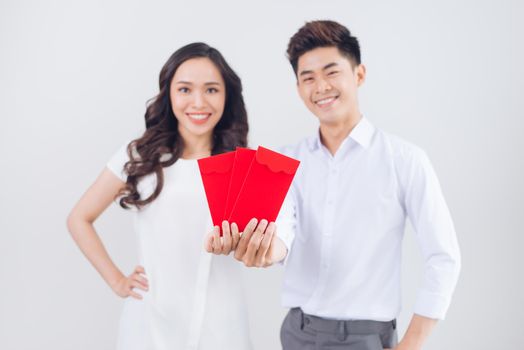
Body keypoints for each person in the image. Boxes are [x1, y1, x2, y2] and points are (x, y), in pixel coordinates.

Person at [209, 20, 461, 350]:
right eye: (307, 78)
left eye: (331, 72)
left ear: (359, 74)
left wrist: (411, 344)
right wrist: (263, 250)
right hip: (297, 332)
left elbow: (444, 257)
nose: (321, 87)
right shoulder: (283, 161)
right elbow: (282, 231)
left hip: (366, 337)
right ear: (298, 88)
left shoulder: (405, 160)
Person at [67, 42, 253, 350]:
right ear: (168, 94)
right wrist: (117, 280)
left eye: (211, 90)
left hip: (222, 324)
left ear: (226, 96)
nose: (198, 102)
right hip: (151, 323)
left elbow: (254, 248)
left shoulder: (242, 166)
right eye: (184, 89)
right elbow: (79, 218)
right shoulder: (141, 156)